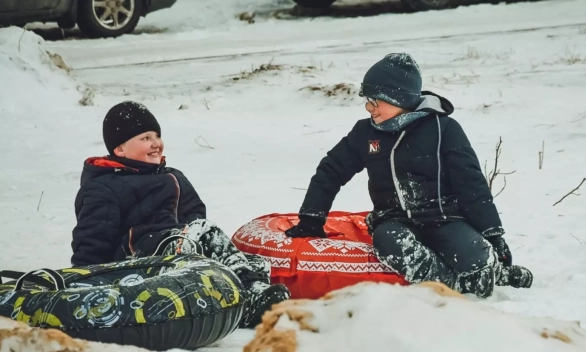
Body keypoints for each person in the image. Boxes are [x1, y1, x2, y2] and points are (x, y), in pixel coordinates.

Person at [285, 53, 532, 298]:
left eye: (374, 100)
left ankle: (497, 272)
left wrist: (493, 233)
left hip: (445, 217)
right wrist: (311, 218)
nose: (368, 107)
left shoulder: (443, 129)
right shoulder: (365, 133)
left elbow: (471, 183)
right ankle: (449, 284)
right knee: (389, 242)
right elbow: (331, 169)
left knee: (473, 255)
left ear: (397, 97)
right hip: (395, 221)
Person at [71, 101, 289, 325]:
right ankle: (250, 297)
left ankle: (236, 299)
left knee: (252, 261)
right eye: (145, 138)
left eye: (157, 136)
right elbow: (92, 239)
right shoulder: (103, 187)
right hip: (137, 260)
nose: (156, 143)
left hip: (177, 248)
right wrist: (82, 281)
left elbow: (194, 216)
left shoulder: (173, 177)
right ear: (119, 149)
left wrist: (200, 245)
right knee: (205, 232)